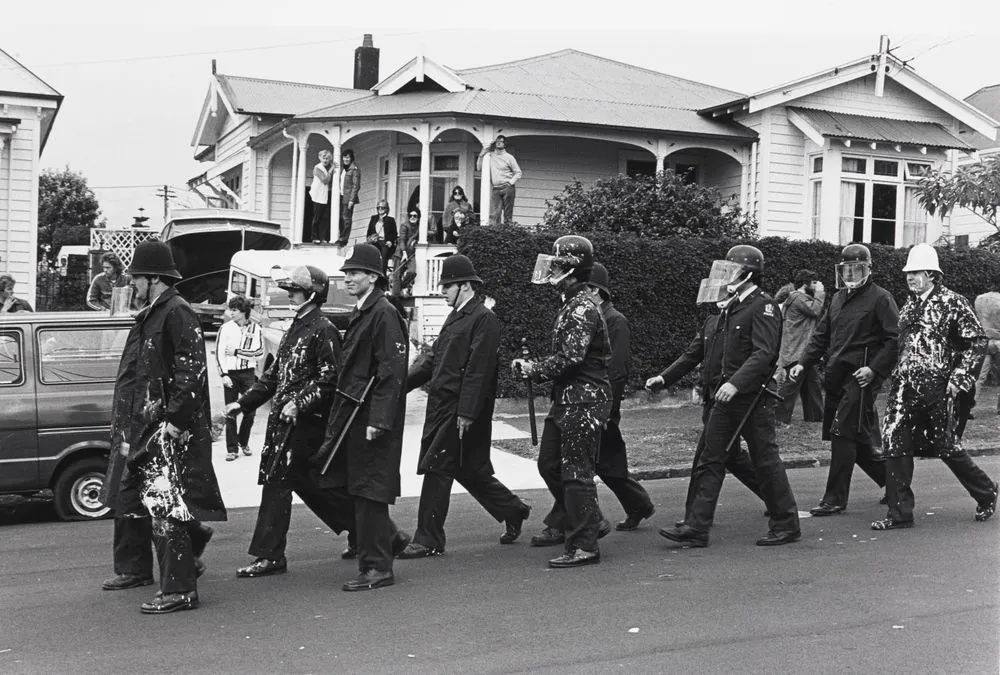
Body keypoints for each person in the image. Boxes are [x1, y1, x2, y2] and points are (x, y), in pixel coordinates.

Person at [98, 240, 225, 614]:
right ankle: (142, 568)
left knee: (165, 507)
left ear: (154, 278)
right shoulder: (152, 313)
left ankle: (180, 588)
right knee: (133, 498)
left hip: (164, 430)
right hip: (142, 427)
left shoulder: (177, 312)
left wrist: (173, 423)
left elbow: (190, 373)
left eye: (137, 278)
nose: (133, 285)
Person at [657, 245, 800, 549]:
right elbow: (697, 353)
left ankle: (786, 523)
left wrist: (735, 383)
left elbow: (764, 354)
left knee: (765, 460)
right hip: (725, 398)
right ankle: (697, 526)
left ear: (749, 274)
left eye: (732, 270)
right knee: (711, 457)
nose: (726, 276)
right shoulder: (732, 307)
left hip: (751, 397)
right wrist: (665, 377)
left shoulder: (763, 307)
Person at [228, 265, 358, 579]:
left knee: (278, 483)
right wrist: (241, 404)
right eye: (289, 290)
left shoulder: (323, 329)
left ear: (312, 293)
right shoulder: (294, 328)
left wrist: (298, 404)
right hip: (284, 425)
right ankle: (374, 533)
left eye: (295, 291)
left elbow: (330, 380)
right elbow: (272, 378)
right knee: (314, 486)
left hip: (304, 425)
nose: (290, 295)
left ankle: (270, 555)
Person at [397, 255, 531, 558]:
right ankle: (514, 510)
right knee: (469, 471)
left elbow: (478, 370)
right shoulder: (457, 316)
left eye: (448, 286)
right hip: (445, 407)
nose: (443, 291)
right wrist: (398, 386)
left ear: (466, 286)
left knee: (437, 466)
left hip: (460, 410)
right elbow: (433, 358)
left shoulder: (483, 319)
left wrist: (467, 412)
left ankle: (429, 538)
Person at [874, 243, 998, 530]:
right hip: (904, 387)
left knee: (945, 446)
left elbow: (976, 342)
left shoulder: (952, 302)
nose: (910, 277)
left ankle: (985, 490)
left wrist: (959, 378)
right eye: (908, 273)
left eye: (916, 272)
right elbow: (901, 345)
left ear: (932, 274)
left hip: (938, 387)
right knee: (895, 442)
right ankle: (899, 513)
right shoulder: (908, 307)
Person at [511, 235, 612, 568]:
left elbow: (571, 357)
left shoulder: (582, 306)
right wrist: (536, 367)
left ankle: (584, 545)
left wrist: (534, 369)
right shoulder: (572, 303)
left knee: (576, 472)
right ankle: (590, 519)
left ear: (571, 268)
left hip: (583, 400)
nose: (551, 268)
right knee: (549, 465)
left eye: (557, 263)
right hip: (568, 399)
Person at [317, 243, 411, 591]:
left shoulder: (383, 312)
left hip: (370, 418)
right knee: (360, 489)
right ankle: (378, 556)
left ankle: (377, 568)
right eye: (347, 273)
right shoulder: (367, 310)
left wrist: (379, 420)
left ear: (373, 277)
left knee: (369, 491)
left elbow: (391, 371)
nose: (348, 278)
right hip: (357, 414)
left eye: (354, 272)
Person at [790, 244, 895, 517]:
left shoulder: (881, 299)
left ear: (869, 268)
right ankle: (895, 483)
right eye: (847, 268)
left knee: (842, 433)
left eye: (857, 268)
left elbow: (894, 340)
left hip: (861, 378)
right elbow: (821, 336)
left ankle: (834, 499)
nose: (851, 273)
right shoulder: (837, 299)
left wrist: (873, 370)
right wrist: (802, 364)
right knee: (856, 441)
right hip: (837, 377)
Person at [586, 263, 655, 531]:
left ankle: (565, 521)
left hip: (602, 405)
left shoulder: (615, 321)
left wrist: (606, 408)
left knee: (584, 464)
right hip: (597, 404)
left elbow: (616, 369)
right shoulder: (597, 319)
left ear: (596, 291)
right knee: (607, 462)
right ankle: (639, 504)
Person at [216, 295, 263, 461]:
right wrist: (223, 374)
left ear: (244, 311)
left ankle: (243, 441)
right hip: (231, 375)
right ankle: (232, 449)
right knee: (231, 412)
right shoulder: (226, 328)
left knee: (250, 411)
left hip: (248, 374)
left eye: (234, 310)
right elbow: (220, 353)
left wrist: (237, 352)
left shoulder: (256, 329)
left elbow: (259, 353)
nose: (231, 313)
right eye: (231, 310)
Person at [775, 269, 825, 425]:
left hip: (802, 349)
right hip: (797, 350)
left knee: (813, 385)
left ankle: (815, 417)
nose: (816, 285)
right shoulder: (798, 298)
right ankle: (778, 418)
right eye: (813, 282)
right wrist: (820, 293)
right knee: (791, 385)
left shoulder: (798, 298)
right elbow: (815, 310)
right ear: (805, 284)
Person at [477, 135, 521, 226]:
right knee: (494, 215)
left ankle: (507, 235)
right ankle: (495, 235)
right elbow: (479, 168)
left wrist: (510, 183)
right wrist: (481, 155)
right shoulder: (490, 155)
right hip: (496, 189)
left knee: (507, 215)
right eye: (497, 140)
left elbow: (518, 173)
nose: (499, 142)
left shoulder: (509, 157)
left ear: (505, 144)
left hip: (507, 187)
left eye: (501, 141)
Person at [390, 208, 419, 297]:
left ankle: (401, 287)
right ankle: (395, 297)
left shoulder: (419, 227)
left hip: (411, 253)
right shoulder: (404, 225)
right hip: (401, 253)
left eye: (415, 216)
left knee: (412, 272)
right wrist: (404, 253)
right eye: (410, 216)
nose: (412, 217)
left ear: (418, 217)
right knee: (397, 276)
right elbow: (402, 240)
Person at [335, 149, 361, 246]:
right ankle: (341, 236)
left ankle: (343, 239)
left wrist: (351, 200)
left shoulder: (354, 169)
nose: (346, 159)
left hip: (348, 198)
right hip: (341, 196)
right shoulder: (343, 169)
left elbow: (356, 185)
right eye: (344, 157)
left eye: (348, 157)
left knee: (346, 218)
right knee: (340, 218)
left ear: (351, 158)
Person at [309, 150, 335, 243]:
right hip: (317, 195)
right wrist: (331, 169)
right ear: (319, 157)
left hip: (324, 195)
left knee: (325, 217)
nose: (326, 160)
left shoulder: (326, 168)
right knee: (317, 217)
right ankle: (314, 237)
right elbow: (325, 180)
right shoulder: (317, 168)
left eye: (327, 158)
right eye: (324, 158)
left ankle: (323, 237)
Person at [366, 199, 397, 272]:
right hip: (375, 242)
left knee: (383, 258)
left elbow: (394, 233)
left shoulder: (390, 220)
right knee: (371, 256)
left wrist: (390, 241)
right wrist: (370, 238)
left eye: (382, 207)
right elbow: (369, 231)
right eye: (378, 207)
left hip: (385, 243)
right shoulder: (373, 218)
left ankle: (382, 275)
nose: (380, 209)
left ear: (386, 209)